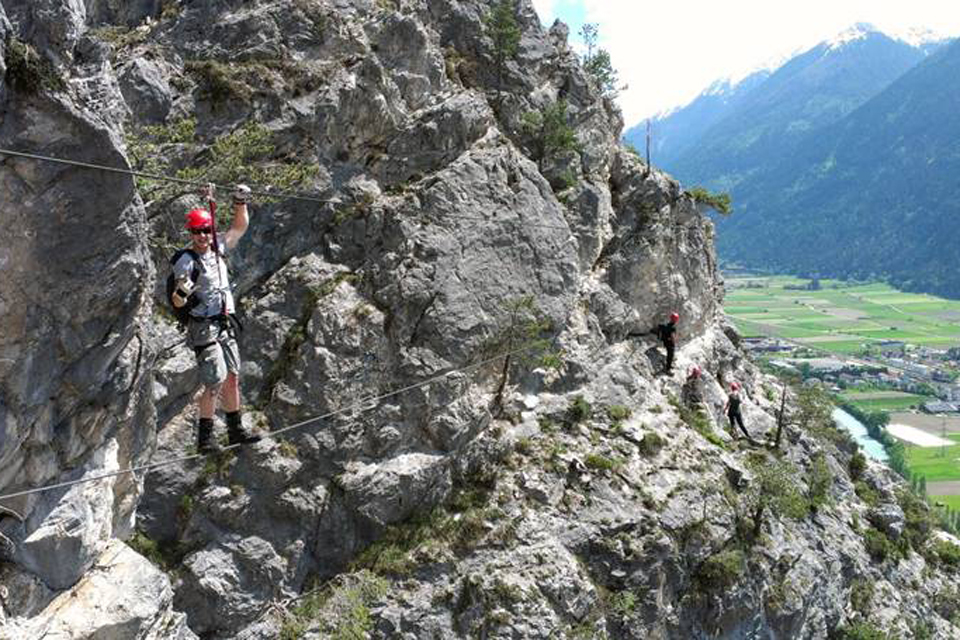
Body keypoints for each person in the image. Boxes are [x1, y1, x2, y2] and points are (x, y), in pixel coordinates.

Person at [171, 185, 259, 453]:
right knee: (215, 380)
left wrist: (240, 201)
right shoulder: (186, 261)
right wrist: (184, 291)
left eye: (205, 231)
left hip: (224, 322)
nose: (202, 236)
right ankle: (205, 440)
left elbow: (239, 228)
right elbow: (177, 300)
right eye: (197, 232)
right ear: (191, 233)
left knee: (232, 377)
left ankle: (236, 431)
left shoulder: (218, 247)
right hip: (204, 327)